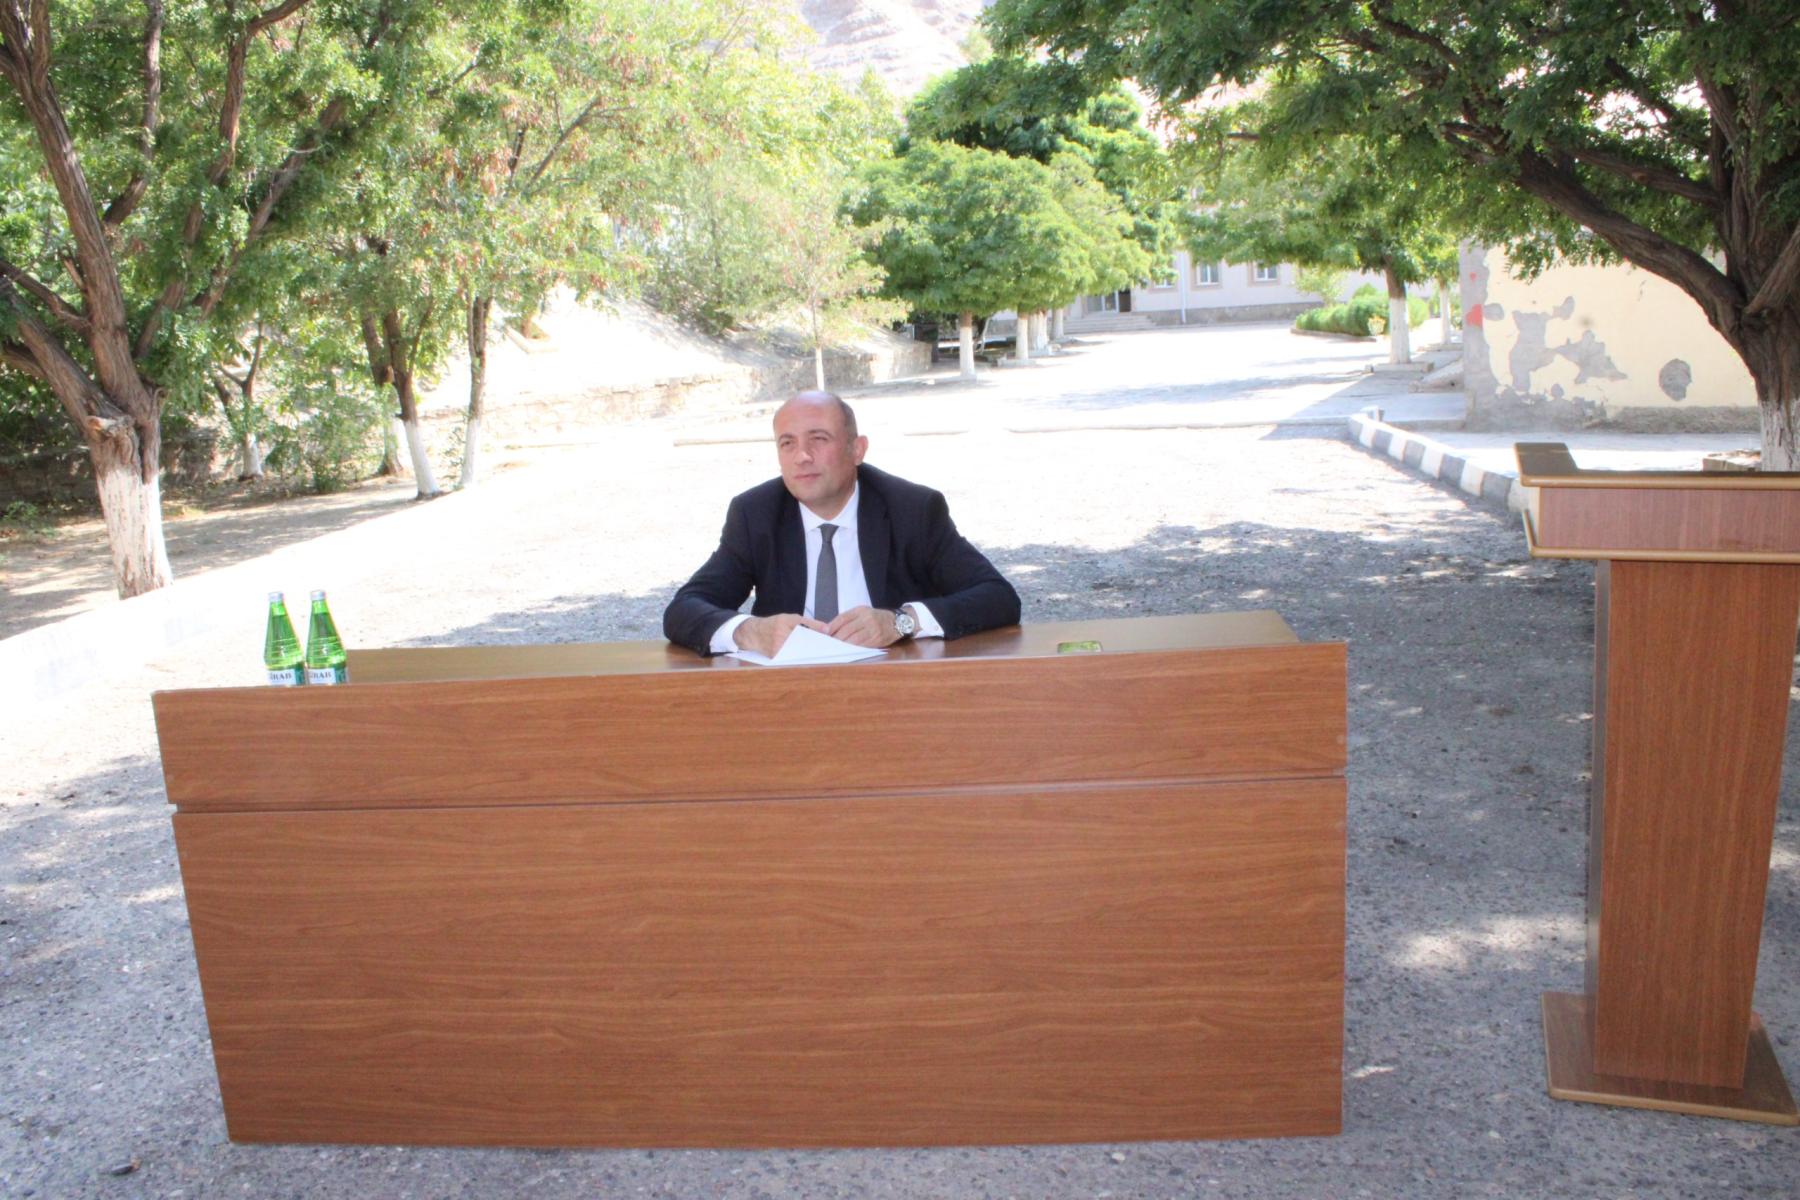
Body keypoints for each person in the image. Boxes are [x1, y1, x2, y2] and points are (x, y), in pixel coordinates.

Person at [664, 390, 1020, 657]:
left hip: (894, 686)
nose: (802, 456)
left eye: (818, 439)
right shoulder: (755, 514)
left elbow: (998, 597)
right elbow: (684, 609)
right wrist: (751, 632)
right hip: (788, 693)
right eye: (787, 444)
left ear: (857, 449)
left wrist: (901, 621)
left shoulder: (912, 509)